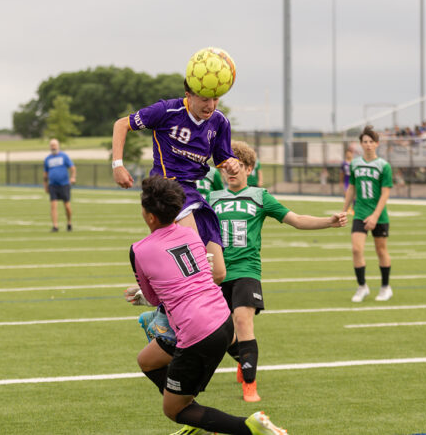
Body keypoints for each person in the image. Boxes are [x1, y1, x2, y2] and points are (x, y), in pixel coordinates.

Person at [129, 176, 287, 435]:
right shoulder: (191, 234)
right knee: (147, 360)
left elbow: (156, 299)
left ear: (149, 216)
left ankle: (252, 428)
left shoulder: (139, 249)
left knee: (174, 410)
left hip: (196, 331)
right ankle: (197, 418)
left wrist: (140, 295)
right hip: (222, 319)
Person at [209, 141, 346, 403]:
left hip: (247, 270)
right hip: (218, 273)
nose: (231, 171)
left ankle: (250, 385)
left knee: (242, 320)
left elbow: (295, 219)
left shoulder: (261, 197)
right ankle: (243, 360)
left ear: (249, 168)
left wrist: (328, 222)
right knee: (220, 332)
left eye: (238, 166)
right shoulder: (212, 199)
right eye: (226, 166)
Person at [111, 77, 241, 281]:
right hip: (165, 188)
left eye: (215, 99)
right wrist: (117, 165)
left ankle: (158, 298)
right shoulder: (166, 111)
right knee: (194, 258)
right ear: (189, 95)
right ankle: (166, 302)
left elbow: (223, 158)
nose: (211, 105)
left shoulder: (220, 122)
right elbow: (121, 124)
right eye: (205, 99)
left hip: (192, 192)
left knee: (217, 273)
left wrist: (230, 163)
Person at [342, 125, 393, 302]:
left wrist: (375, 216)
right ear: (361, 144)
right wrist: (344, 210)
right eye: (365, 142)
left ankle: (386, 287)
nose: (368, 145)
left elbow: (385, 192)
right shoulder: (355, 163)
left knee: (381, 250)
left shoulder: (384, 166)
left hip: (379, 215)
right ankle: (362, 286)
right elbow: (351, 188)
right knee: (356, 249)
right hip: (360, 212)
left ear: (377, 144)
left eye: (371, 141)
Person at [43, 138, 76, 232]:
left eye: (54, 145)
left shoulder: (64, 156)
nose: (53, 147)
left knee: (67, 206)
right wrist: (45, 185)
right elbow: (45, 173)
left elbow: (72, 168)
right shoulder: (47, 159)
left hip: (64, 184)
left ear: (58, 146)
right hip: (53, 185)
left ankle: (69, 222)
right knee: (53, 205)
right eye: (51, 145)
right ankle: (55, 226)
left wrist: (73, 177)